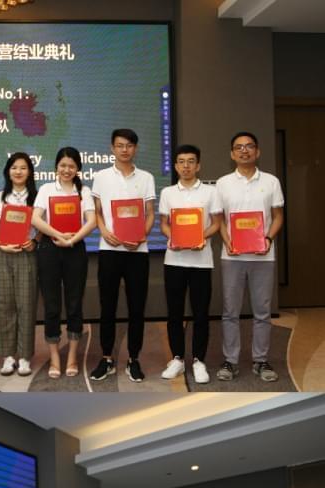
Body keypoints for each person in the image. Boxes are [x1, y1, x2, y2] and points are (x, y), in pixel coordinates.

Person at [215, 132, 285, 383]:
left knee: (262, 312)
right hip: (232, 257)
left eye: (249, 146)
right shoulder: (223, 183)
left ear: (258, 151)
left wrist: (267, 239)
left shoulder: (271, 181)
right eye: (239, 147)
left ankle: (261, 360)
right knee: (230, 312)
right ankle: (230, 361)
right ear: (232, 154)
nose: (244, 151)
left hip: (263, 257)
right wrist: (228, 242)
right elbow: (219, 219)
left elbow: (278, 217)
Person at [89, 129, 156, 384]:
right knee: (107, 306)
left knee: (136, 307)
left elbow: (150, 212)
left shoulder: (146, 177)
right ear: (112, 148)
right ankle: (106, 357)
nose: (124, 150)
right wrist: (104, 232)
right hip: (109, 250)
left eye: (129, 145)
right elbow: (97, 211)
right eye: (120, 145)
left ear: (135, 148)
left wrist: (141, 236)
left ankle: (133, 359)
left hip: (138, 252)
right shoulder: (101, 176)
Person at [158, 144, 222, 385]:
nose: (186, 166)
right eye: (182, 162)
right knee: (174, 313)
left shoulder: (210, 192)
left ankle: (198, 360)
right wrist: (173, 237)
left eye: (191, 161)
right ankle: (177, 359)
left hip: (201, 262)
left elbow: (216, 223)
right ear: (175, 166)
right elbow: (164, 224)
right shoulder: (168, 193)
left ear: (198, 165)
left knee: (201, 313)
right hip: (174, 261)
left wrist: (199, 237)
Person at [32, 147, 96, 379]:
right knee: (51, 305)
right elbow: (35, 218)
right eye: (63, 165)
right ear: (56, 167)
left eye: (71, 166)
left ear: (78, 168)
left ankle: (72, 357)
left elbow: (92, 221)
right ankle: (55, 358)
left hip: (75, 249)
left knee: (74, 304)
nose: (67, 170)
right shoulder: (46, 189)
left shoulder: (84, 191)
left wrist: (72, 239)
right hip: (49, 249)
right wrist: (58, 235)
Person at [0, 152, 38, 378]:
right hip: (2, 254)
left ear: (30, 172)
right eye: (14, 167)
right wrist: (1, 244)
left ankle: (25, 356)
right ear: (8, 171)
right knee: (3, 305)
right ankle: (7, 356)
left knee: (26, 305)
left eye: (23, 168)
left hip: (27, 255)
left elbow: (42, 228)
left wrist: (35, 242)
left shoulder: (37, 197)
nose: (18, 172)